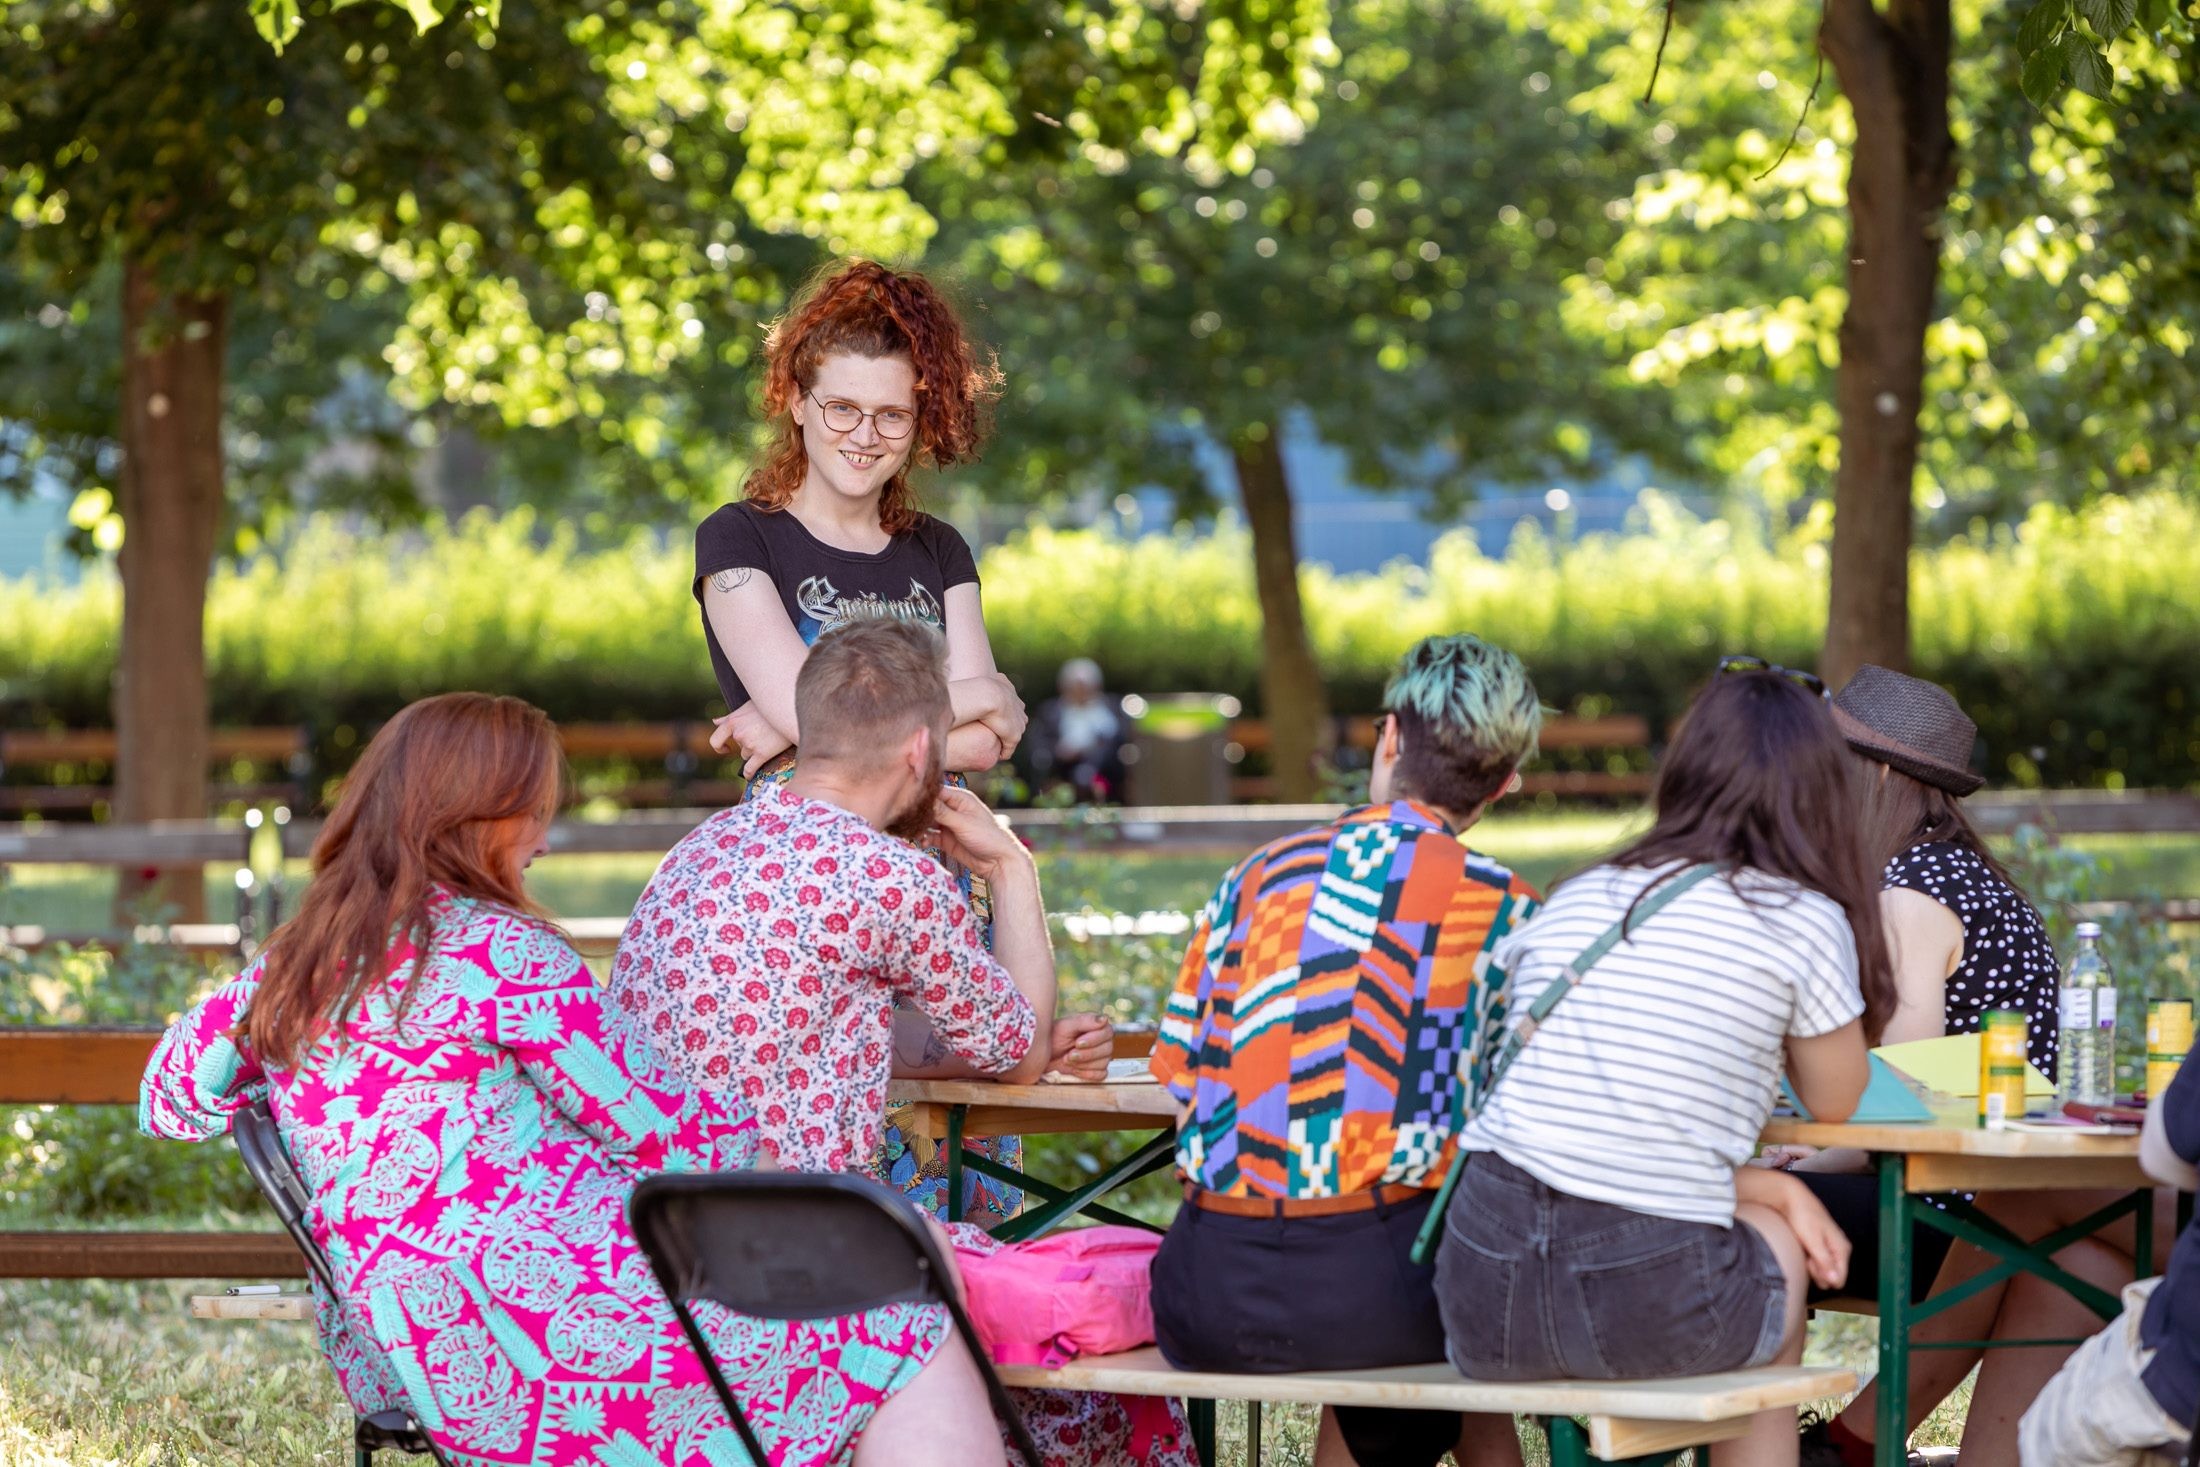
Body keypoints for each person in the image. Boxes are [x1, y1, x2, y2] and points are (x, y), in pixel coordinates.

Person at [139, 693, 1006, 1467]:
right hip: (553, 1337)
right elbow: (682, 1141)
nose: (547, 839)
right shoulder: (502, 954)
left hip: (406, 1352)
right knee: (904, 1323)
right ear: (476, 815)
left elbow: (167, 1098)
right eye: (534, 813)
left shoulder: (294, 968)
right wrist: (834, 1201)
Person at [608, 618, 1190, 1467]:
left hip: (663, 1272)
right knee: (1103, 1379)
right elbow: (1017, 1050)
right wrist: (1008, 868)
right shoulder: (889, 873)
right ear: (923, 750)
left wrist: (982, 1035)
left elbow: (821, 1020)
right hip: (817, 1281)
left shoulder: (690, 854)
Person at [1435, 662, 1893, 1467]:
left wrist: (1766, 1178)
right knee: (1774, 1246)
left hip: (1484, 1294)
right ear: (1824, 790)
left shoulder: (1581, 893)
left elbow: (1566, 1125)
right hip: (1644, 1301)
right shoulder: (1800, 915)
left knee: (1756, 1216)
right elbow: (1840, 1098)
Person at [1146, 633, 1544, 1467]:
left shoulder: (1262, 876)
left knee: (1430, 1335)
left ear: (1390, 735)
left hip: (1207, 1283)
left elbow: (1182, 1080)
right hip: (1373, 1294)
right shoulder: (1506, 911)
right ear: (1505, 783)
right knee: (1444, 1285)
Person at [694, 256, 1033, 1223]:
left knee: (962, 1148)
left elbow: (988, 743)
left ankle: (971, 1359)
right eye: (841, 409)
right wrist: (970, 694)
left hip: (940, 874)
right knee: (830, 1151)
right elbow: (843, 729)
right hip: (804, 899)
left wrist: (797, 714)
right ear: (796, 403)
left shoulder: (937, 550)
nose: (865, 436)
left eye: (891, 417)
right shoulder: (739, 540)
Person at [1777, 666, 2065, 1467]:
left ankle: (1744, 1437)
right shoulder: (1974, 880)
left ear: (1870, 772)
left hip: (1942, 1209)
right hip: (1999, 1191)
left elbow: (1900, 1090)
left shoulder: (1911, 890)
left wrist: (1806, 1154)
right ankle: (1842, 1441)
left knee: (1752, 1217)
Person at [2017, 1051, 2199, 1466]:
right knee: (2073, 1266)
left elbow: (2163, 1157)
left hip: (2181, 1382)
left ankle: (1860, 1436)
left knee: (2029, 1199)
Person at [1031, 658, 1126, 802]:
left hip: (1105, 769)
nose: (1080, 692)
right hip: (1062, 769)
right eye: (1075, 687)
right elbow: (1039, 744)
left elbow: (1118, 740)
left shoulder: (1111, 709)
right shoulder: (1051, 712)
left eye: (1085, 687)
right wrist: (1059, 752)